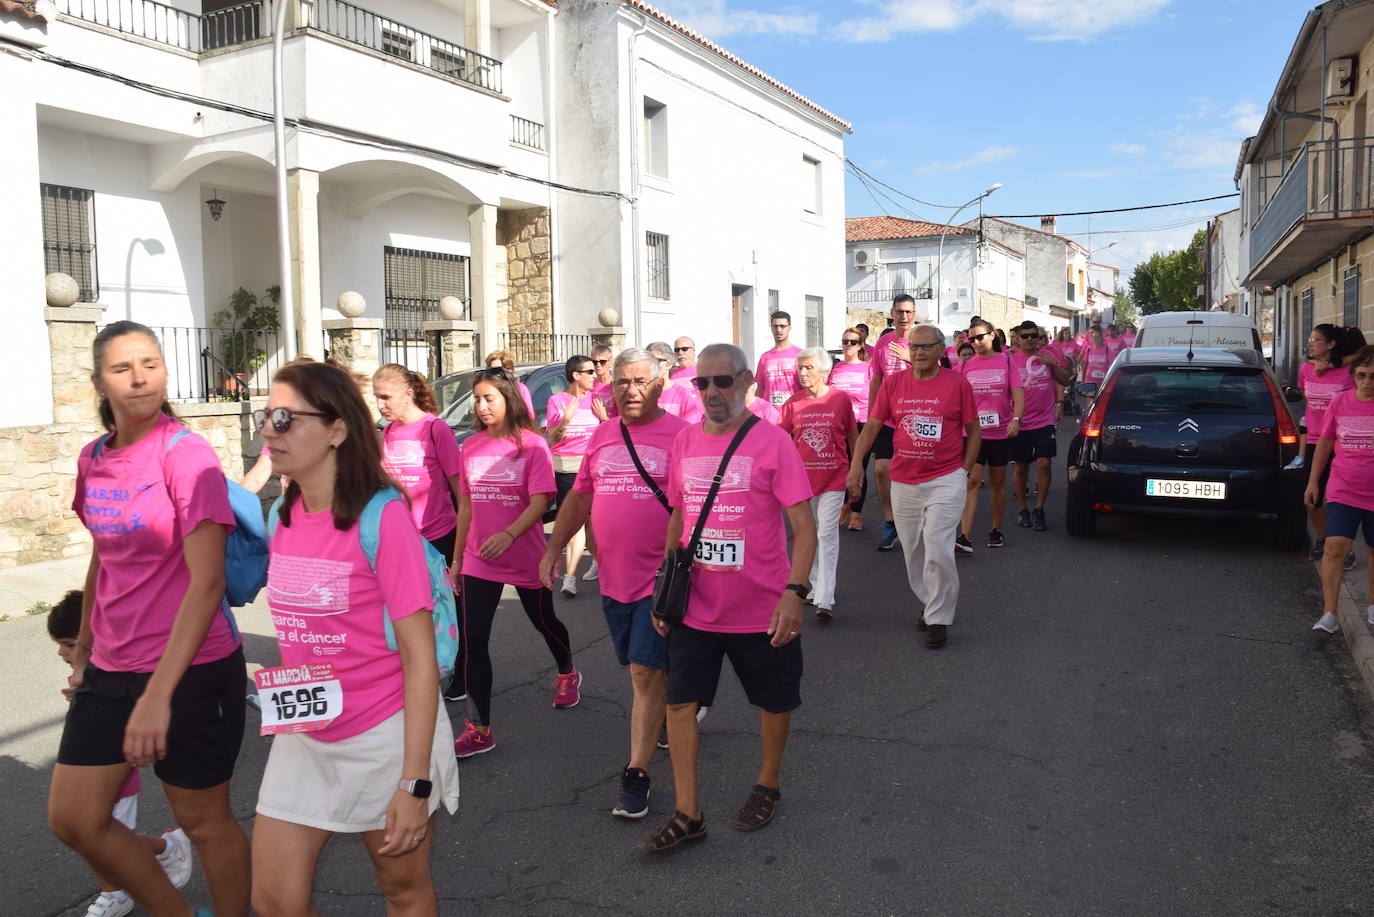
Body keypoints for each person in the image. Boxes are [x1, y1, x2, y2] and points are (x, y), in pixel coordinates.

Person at [51, 320, 249, 917]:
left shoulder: (185, 455)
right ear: (99, 383)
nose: (139, 378)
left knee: (204, 821)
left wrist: (158, 695)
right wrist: (84, 649)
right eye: (122, 368)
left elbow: (208, 581)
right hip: (112, 666)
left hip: (192, 668)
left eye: (150, 364)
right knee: (75, 819)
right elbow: (102, 558)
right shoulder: (93, 458)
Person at [249, 361, 460, 917]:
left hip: (385, 735)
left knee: (402, 890)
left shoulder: (382, 517)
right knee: (274, 902)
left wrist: (414, 783)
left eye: (284, 418)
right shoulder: (281, 515)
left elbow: (419, 660)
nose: (269, 430)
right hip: (305, 732)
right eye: (266, 418)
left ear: (337, 429)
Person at [638, 344, 815, 853]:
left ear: (745, 382)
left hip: (761, 609)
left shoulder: (774, 442)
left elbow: (804, 529)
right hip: (696, 606)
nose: (712, 392)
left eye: (723, 381)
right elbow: (679, 516)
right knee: (679, 705)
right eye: (703, 383)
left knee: (774, 701)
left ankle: (768, 784)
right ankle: (688, 814)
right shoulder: (685, 441)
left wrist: (794, 594)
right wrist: (664, 586)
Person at [539, 348, 687, 819]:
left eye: (641, 381)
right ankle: (673, 704)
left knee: (643, 673)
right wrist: (553, 549)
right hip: (613, 579)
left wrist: (678, 566)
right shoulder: (603, 435)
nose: (631, 390)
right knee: (642, 668)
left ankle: (636, 774)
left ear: (659, 385)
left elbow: (694, 509)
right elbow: (580, 497)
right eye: (622, 382)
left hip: (659, 579)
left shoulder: (683, 436)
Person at [453, 368, 580, 758]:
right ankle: (480, 728)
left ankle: (567, 671)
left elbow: (541, 502)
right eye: (477, 399)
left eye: (489, 398)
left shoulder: (533, 445)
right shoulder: (471, 447)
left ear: (508, 399)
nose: (481, 406)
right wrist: (457, 558)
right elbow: (466, 506)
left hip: (525, 556)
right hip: (478, 559)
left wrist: (509, 534)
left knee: (544, 621)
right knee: (474, 640)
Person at [49, 590, 195, 917]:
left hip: (116, 772)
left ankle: (116, 891)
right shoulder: (86, 673)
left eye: (69, 643)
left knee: (99, 836)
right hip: (92, 767)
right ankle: (164, 850)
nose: (62, 652)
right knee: (90, 833)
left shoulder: (121, 675)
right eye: (60, 644)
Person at [848, 325, 980, 649]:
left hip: (945, 478)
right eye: (915, 346)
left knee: (937, 543)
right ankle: (931, 602)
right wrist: (856, 465)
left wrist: (963, 471)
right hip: (904, 480)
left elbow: (974, 430)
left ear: (940, 350)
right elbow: (872, 427)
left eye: (926, 346)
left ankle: (938, 619)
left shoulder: (957, 384)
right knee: (914, 550)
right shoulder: (893, 384)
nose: (919, 352)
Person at [781, 348, 856, 619]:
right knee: (808, 533)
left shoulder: (840, 399)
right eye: (800, 368)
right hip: (803, 481)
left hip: (835, 476)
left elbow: (852, 435)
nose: (802, 373)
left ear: (824, 371)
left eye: (808, 367)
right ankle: (813, 586)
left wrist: (856, 468)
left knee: (826, 533)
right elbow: (780, 439)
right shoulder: (793, 403)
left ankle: (825, 597)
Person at [1306, 344, 1374, 635]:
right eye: (1361, 375)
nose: (1367, 382)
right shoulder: (1340, 402)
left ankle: (1372, 605)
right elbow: (1324, 443)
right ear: (1354, 375)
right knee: (1334, 547)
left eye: (1373, 376)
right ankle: (1329, 614)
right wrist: (1313, 481)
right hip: (1343, 488)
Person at [373, 365, 463, 563]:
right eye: (377, 397)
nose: (380, 405)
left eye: (386, 397)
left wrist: (462, 547)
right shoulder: (389, 431)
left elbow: (460, 490)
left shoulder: (435, 428)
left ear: (408, 394)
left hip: (437, 538)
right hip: (400, 537)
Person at [1300, 324, 1366, 565]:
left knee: (1343, 500)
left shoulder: (1351, 371)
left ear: (1331, 344)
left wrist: (1333, 363)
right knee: (1311, 498)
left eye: (1316, 339)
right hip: (1315, 441)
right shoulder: (1306, 369)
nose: (1310, 343)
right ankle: (1325, 537)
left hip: (1343, 442)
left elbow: (1363, 356)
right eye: (1311, 338)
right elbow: (1306, 402)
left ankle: (1343, 549)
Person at [957, 318, 1024, 552]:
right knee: (972, 482)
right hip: (973, 433)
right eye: (971, 338)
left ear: (992, 335)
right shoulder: (966, 366)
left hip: (1000, 432)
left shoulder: (1006, 361)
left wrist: (1016, 419)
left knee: (997, 482)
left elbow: (1018, 394)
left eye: (980, 337)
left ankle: (996, 529)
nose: (975, 342)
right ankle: (964, 535)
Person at [866, 295, 920, 551]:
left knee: (913, 472)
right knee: (880, 469)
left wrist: (911, 358)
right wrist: (872, 414)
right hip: (887, 417)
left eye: (908, 311)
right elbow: (877, 379)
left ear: (914, 313)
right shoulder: (883, 342)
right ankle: (891, 521)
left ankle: (915, 520)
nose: (904, 316)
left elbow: (935, 374)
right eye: (900, 311)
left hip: (916, 416)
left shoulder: (921, 340)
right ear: (892, 313)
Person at [1008, 322, 1072, 532]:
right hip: (1021, 421)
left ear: (1038, 337)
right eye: (1025, 336)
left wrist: (1053, 364)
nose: (1029, 339)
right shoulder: (1011, 361)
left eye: (1033, 335)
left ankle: (1039, 509)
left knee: (1044, 463)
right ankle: (1022, 509)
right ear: (1018, 339)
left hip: (1045, 420)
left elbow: (1065, 380)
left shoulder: (1047, 356)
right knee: (1021, 466)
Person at [545, 356, 600, 596]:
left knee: (592, 523)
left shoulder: (596, 399)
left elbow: (609, 432)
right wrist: (566, 419)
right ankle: (570, 578)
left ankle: (598, 561)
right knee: (576, 523)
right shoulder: (557, 401)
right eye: (590, 371)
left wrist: (604, 417)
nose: (594, 375)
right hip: (567, 468)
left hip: (593, 469)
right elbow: (554, 438)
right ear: (576, 375)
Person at [828, 327, 876, 531]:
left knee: (858, 468)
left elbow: (875, 396)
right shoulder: (836, 368)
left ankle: (856, 514)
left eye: (853, 342)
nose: (848, 345)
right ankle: (842, 506)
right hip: (838, 425)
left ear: (860, 346)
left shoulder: (867, 368)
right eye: (845, 341)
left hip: (861, 424)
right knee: (841, 468)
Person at [755, 311, 803, 409]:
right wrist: (754, 410)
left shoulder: (800, 355)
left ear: (789, 328)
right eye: (775, 326)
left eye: (782, 326)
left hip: (794, 411)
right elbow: (760, 388)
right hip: (769, 413)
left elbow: (807, 386)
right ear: (771, 328)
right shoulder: (765, 357)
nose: (778, 330)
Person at [648, 341, 705, 423]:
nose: (652, 365)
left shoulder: (683, 394)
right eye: (648, 361)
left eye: (657, 361)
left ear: (669, 364)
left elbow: (690, 426)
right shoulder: (642, 393)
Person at [484, 350, 536, 416]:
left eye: (498, 370)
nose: (494, 374)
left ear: (508, 370)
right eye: (491, 370)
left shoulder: (520, 389)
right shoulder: (487, 390)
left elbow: (530, 415)